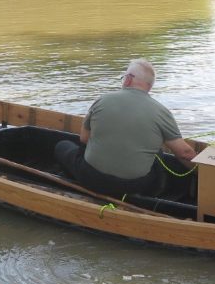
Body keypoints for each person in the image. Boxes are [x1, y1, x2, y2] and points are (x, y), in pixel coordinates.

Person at [54, 59, 195, 198]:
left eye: (124, 78)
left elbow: (84, 139)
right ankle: (153, 195)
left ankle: (71, 183)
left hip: (92, 178)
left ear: (128, 80)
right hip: (135, 185)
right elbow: (184, 153)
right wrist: (203, 174)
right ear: (149, 86)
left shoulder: (102, 100)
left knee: (62, 146)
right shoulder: (162, 112)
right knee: (158, 154)